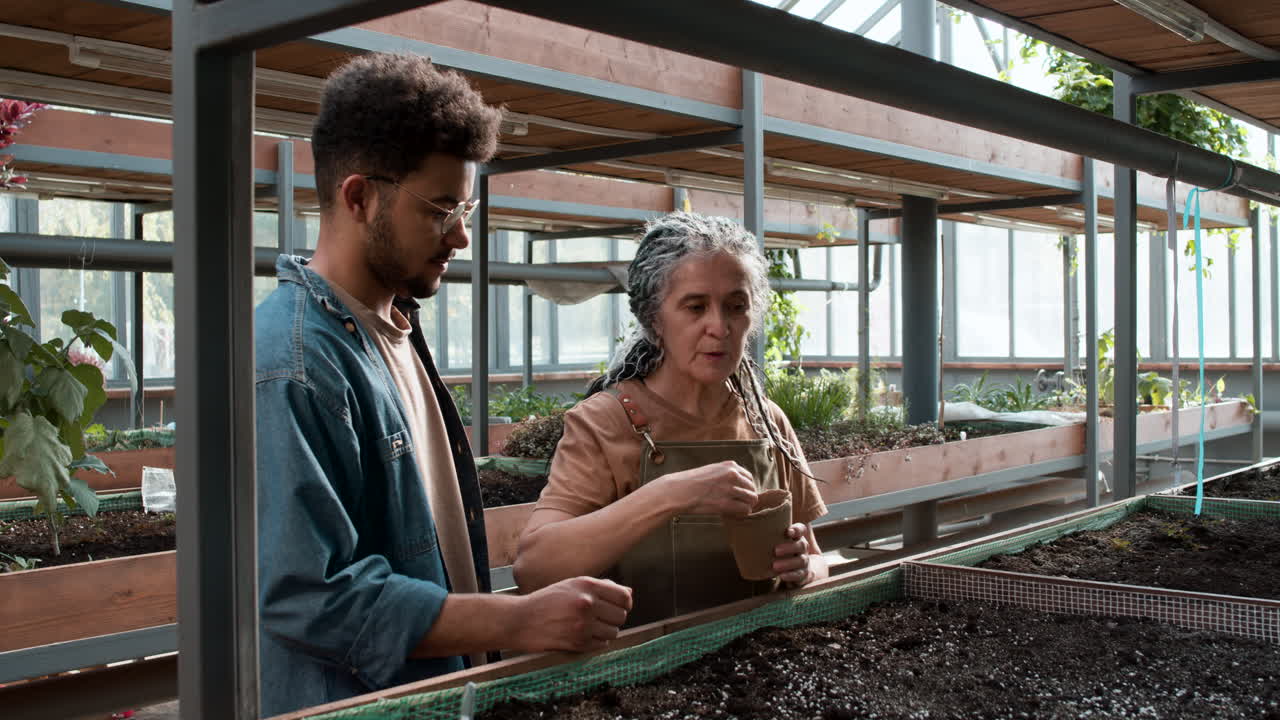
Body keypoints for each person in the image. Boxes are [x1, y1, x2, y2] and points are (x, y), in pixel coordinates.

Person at [254, 52, 631, 716]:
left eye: (466, 209)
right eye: (440, 209)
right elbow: (308, 596)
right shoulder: (296, 363)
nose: (461, 236)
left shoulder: (394, 327)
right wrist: (517, 620)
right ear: (359, 197)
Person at [514, 212, 828, 626]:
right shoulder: (605, 422)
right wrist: (669, 495)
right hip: (641, 661)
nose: (719, 327)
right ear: (654, 320)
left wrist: (804, 569)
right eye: (695, 307)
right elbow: (534, 569)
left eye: (736, 307)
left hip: (760, 653)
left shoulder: (766, 421)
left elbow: (818, 558)